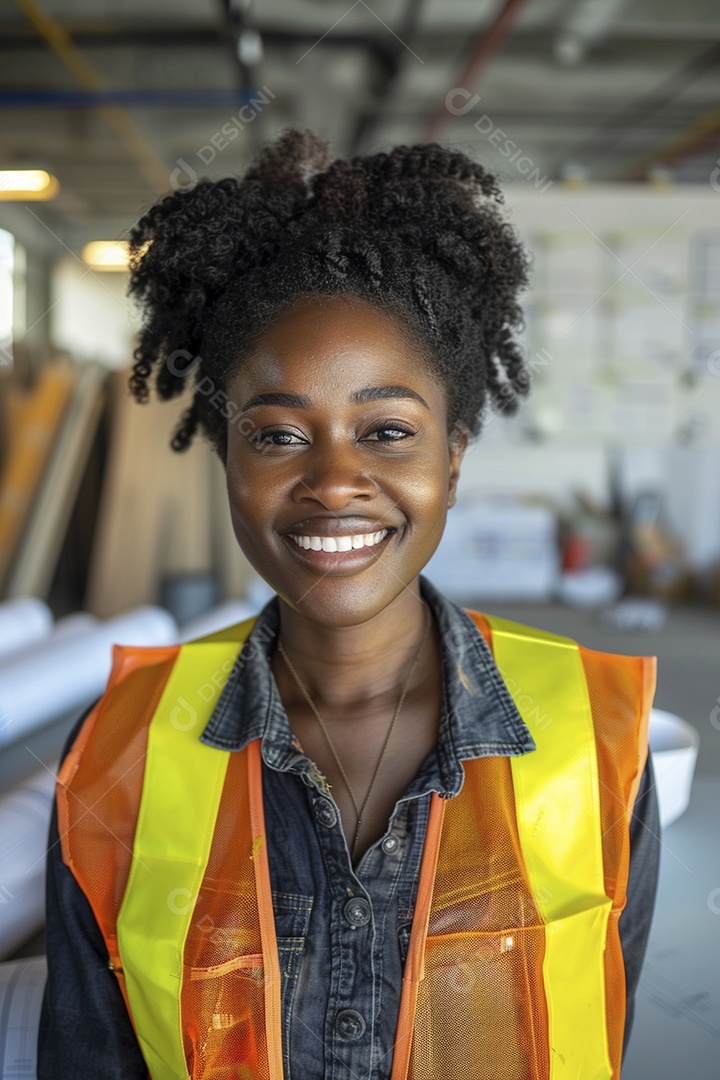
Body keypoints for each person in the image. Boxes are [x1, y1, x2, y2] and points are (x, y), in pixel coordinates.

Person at [38, 130, 659, 1080]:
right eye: (280, 433)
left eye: (387, 430)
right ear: (229, 460)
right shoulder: (119, 745)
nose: (335, 481)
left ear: (452, 458)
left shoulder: (596, 739)